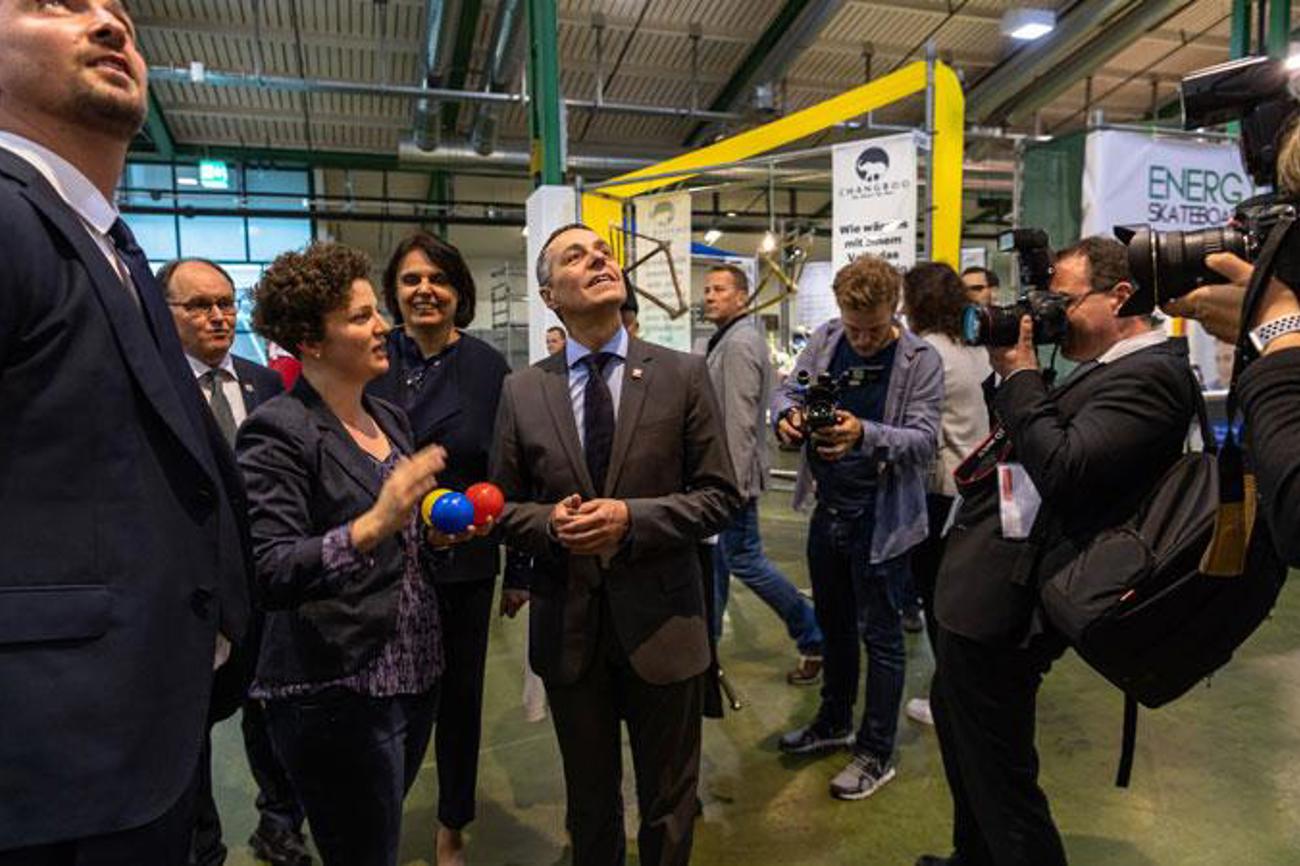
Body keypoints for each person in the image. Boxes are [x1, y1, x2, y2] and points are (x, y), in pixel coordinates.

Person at [0, 1, 251, 860]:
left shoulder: (110, 244)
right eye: (55, 3)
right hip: (48, 773)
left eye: (121, 16)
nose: (108, 24)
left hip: (142, 744)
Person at [918, 237, 1198, 866]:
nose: (1052, 315)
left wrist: (1020, 371)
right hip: (989, 588)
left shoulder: (1153, 376)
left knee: (1001, 777)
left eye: (1064, 302)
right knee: (966, 742)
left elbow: (1064, 467)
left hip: (1015, 604)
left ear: (1121, 296)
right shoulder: (1106, 368)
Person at [490, 223, 741, 866]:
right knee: (589, 803)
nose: (600, 258)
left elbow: (719, 496)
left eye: (603, 251)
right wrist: (551, 525)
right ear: (551, 295)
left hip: (665, 625)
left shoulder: (681, 375)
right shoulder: (523, 391)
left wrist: (630, 518)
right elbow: (503, 505)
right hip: (572, 630)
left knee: (669, 802)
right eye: (577, 256)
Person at [237, 242, 477, 866]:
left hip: (413, 671)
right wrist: (375, 523)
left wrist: (431, 531)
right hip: (339, 687)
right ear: (313, 341)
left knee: (379, 833)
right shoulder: (278, 430)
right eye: (362, 316)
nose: (383, 326)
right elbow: (272, 570)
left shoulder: (389, 417)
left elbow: (401, 528)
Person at [367, 231, 530, 866]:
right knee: (384, 696)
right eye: (410, 280)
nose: (424, 290)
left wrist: (520, 565)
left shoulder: (489, 368)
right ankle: (378, 809)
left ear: (459, 292)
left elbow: (512, 471)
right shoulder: (376, 359)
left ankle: (452, 821)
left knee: (459, 700)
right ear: (394, 294)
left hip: (463, 558)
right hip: (383, 558)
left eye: (437, 279)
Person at [772, 254, 943, 801]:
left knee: (883, 638)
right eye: (854, 327)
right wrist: (786, 417)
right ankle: (834, 721)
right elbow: (787, 390)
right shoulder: (825, 340)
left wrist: (862, 433)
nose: (863, 340)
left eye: (873, 329)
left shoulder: (921, 360)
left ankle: (875, 751)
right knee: (835, 625)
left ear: (894, 312)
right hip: (829, 510)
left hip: (883, 519)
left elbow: (923, 441)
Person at [157, 257, 311, 866]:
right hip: (190, 587)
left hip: (262, 581)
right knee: (190, 721)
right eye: (199, 305)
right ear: (164, 313)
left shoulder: (265, 382)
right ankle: (201, 841)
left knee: (271, 708)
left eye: (225, 302)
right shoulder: (156, 386)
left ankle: (279, 822)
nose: (218, 315)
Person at [702, 263, 824, 684]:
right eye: (707, 289)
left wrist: (729, 485)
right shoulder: (732, 339)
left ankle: (812, 633)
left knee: (744, 559)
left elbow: (737, 419)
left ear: (742, 297)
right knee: (719, 561)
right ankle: (706, 645)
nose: (710, 296)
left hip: (732, 478)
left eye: (719, 289)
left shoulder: (738, 344)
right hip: (726, 476)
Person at [900, 262, 992, 727]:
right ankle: (961, 691)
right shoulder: (974, 348)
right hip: (975, 487)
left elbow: (915, 431)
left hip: (939, 490)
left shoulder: (924, 352)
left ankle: (948, 699)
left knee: (936, 598)